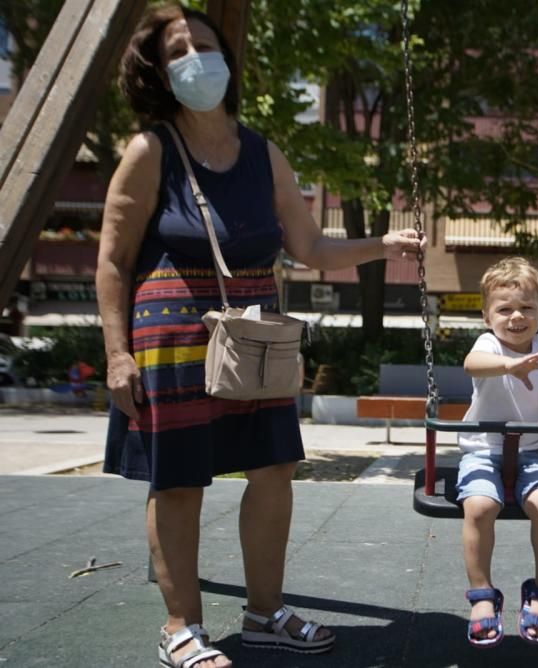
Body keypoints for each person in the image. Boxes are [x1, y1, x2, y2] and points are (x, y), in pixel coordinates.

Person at [96, 6, 425, 667]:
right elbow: (111, 258)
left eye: (205, 44)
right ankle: (180, 626)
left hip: (256, 342)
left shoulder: (263, 151)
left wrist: (382, 244)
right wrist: (115, 352)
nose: (196, 58)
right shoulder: (150, 150)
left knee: (274, 470)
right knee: (180, 482)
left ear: (227, 59)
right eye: (180, 49)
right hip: (170, 339)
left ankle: (265, 613)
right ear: (161, 71)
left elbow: (310, 248)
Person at [456, 257, 538, 647]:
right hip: (482, 449)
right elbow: (473, 365)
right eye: (504, 309)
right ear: (487, 316)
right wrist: (509, 365)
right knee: (479, 507)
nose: (516, 317)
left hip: (532, 451)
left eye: (526, 307)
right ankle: (481, 597)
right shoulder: (487, 345)